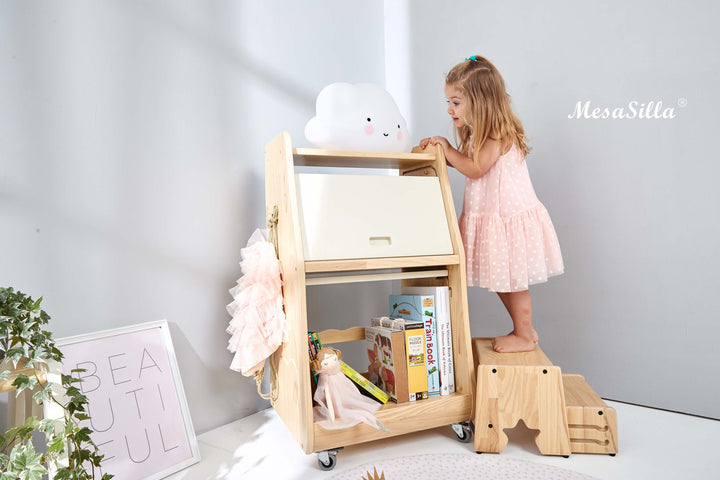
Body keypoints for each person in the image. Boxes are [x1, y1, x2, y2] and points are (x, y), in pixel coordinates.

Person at [420, 55, 564, 353]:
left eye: (456, 102)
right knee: (501, 279)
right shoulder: (479, 135)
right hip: (493, 219)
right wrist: (442, 155)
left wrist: (446, 149)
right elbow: (471, 165)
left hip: (506, 219)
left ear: (480, 101)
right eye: (449, 101)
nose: (450, 109)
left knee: (514, 282)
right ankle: (525, 330)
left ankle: (524, 336)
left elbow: (475, 169)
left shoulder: (497, 132)